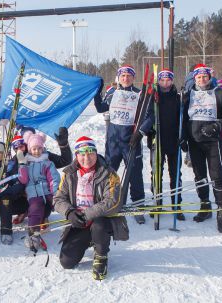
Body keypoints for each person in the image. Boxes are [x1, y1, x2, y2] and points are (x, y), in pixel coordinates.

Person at [53, 136, 129, 281]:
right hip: (79, 222)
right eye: (82, 153)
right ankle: (88, 239)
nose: (86, 157)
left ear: (95, 153)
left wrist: (87, 214)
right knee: (66, 262)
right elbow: (58, 199)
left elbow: (113, 202)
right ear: (76, 156)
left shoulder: (108, 173)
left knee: (99, 225)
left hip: (100, 220)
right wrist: (69, 212)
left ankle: (101, 255)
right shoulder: (69, 174)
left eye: (90, 153)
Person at [182, 64, 222, 233]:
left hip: (213, 142)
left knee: (216, 176)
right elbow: (183, 119)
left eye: (205, 76)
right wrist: (183, 137)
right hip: (194, 142)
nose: (202, 80)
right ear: (194, 79)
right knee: (199, 176)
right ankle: (205, 206)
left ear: (210, 77)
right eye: (199, 77)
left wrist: (216, 126)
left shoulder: (221, 93)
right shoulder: (188, 96)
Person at [93, 65, 152, 224]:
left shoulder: (140, 94)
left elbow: (149, 117)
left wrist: (139, 133)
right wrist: (97, 93)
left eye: (129, 76)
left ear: (133, 78)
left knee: (135, 174)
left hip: (131, 141)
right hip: (113, 141)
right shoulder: (112, 93)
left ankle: (138, 206)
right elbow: (100, 108)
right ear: (119, 77)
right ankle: (110, 202)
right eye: (123, 76)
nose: (126, 78)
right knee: (109, 173)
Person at [147, 69, 185, 220]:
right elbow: (147, 117)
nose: (165, 83)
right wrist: (150, 132)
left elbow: (184, 119)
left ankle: (177, 206)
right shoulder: (153, 98)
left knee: (175, 175)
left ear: (172, 81)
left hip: (174, 141)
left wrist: (183, 136)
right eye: (162, 80)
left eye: (168, 80)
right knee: (156, 174)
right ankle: (158, 204)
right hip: (157, 141)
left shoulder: (178, 98)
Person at [17, 131, 61, 251]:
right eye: (34, 149)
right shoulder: (26, 163)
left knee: (58, 203)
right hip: (33, 193)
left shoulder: (48, 163)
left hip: (47, 190)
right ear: (30, 149)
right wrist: (21, 165)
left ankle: (73, 215)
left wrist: (55, 192)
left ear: (43, 149)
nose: (37, 151)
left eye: (39, 148)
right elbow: (23, 180)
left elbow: (54, 178)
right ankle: (33, 234)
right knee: (35, 209)